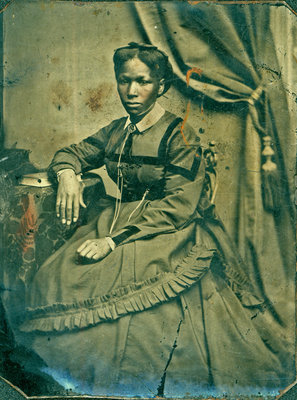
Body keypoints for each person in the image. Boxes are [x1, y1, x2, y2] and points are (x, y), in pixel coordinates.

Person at [15, 43, 286, 397]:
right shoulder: (116, 130)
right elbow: (71, 152)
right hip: (114, 217)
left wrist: (112, 240)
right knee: (58, 274)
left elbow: (179, 205)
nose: (131, 91)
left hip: (168, 228)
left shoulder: (181, 135)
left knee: (137, 309)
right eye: (124, 81)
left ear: (161, 86)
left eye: (142, 81)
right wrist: (67, 173)